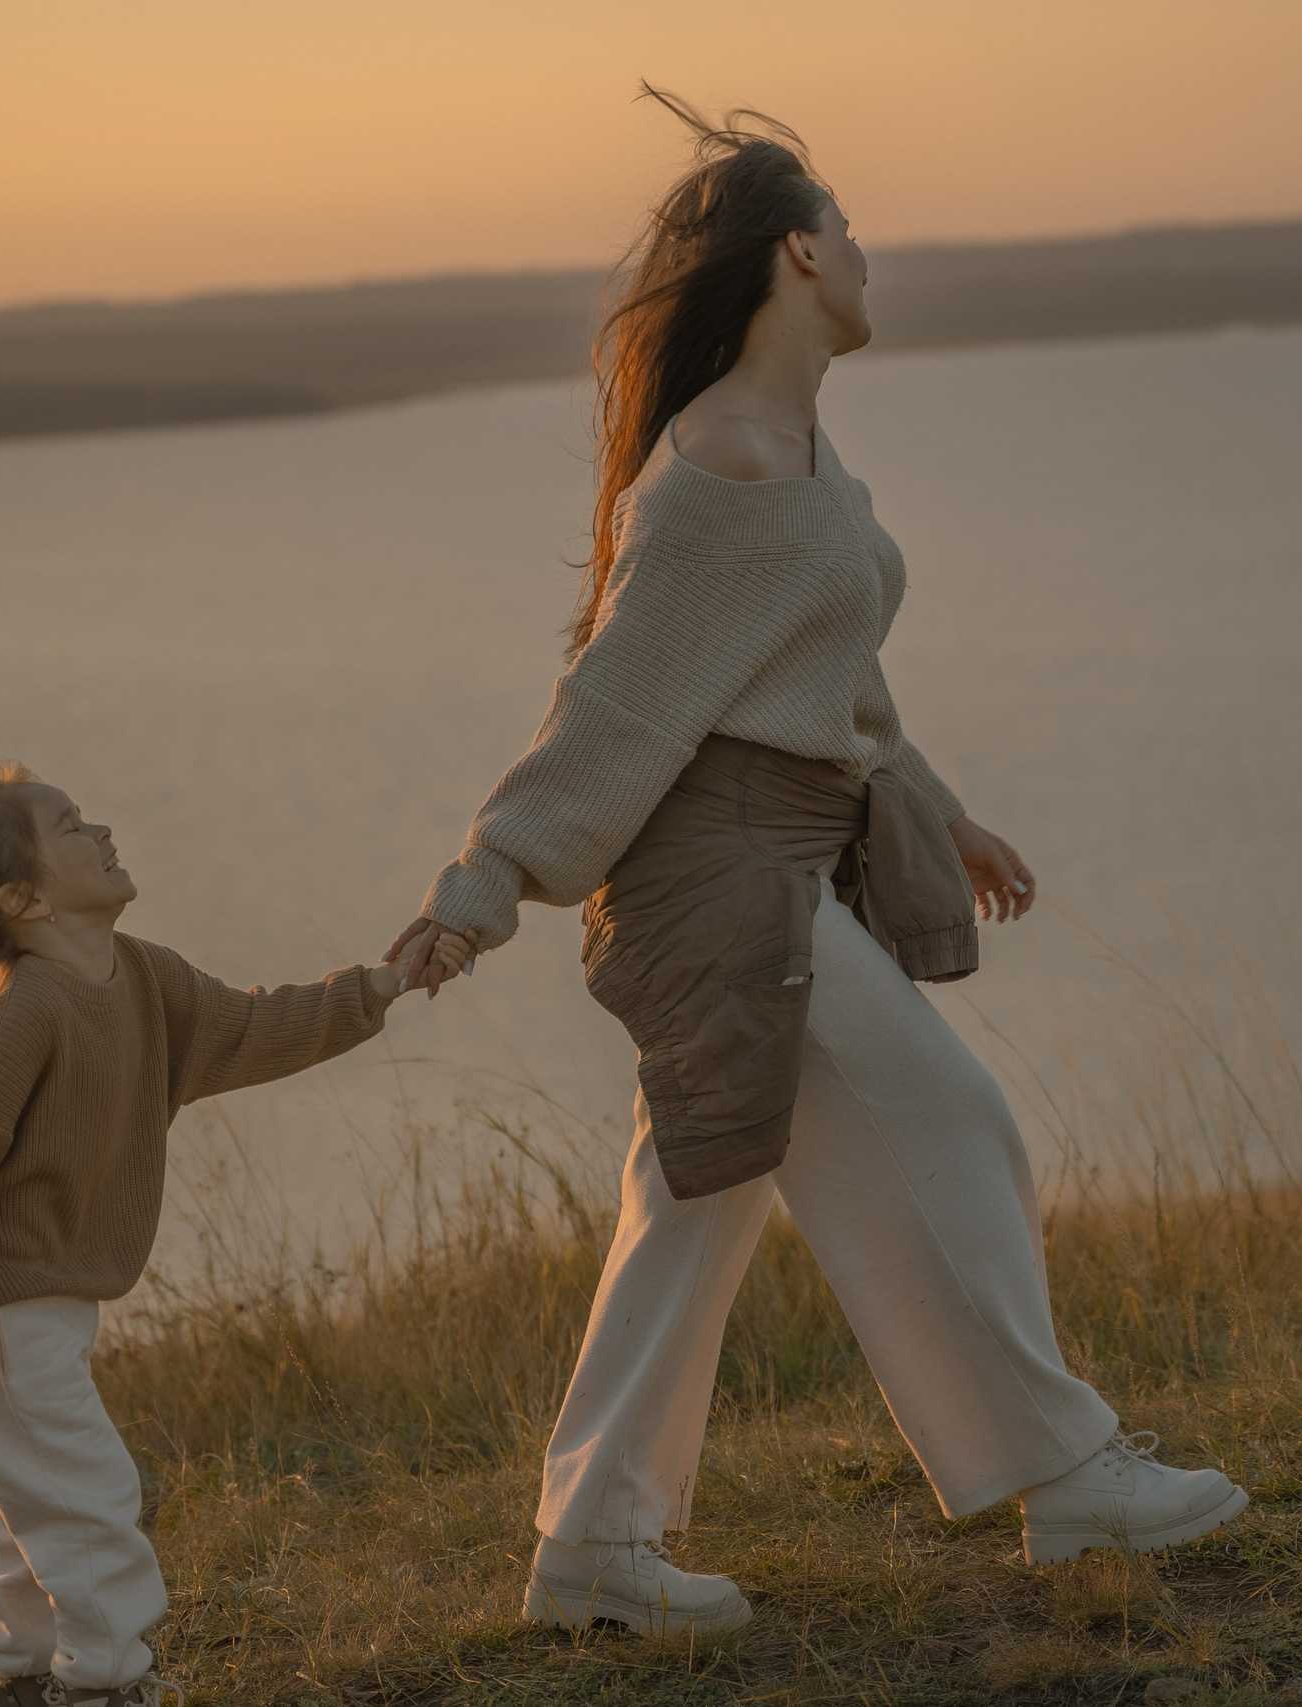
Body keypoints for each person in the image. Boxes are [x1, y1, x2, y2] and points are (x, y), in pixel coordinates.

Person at [386, 92, 1249, 1636]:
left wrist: (935, 796)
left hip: (772, 845)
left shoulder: (794, 447)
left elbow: (819, 670)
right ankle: (1063, 1471)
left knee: (696, 1198)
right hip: (723, 869)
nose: (867, 256)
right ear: (798, 252)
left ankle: (594, 1550)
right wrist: (480, 887)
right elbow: (619, 709)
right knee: (952, 1116)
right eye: (847, 231)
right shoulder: (725, 462)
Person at [0, 763, 464, 1707]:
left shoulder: (144, 977)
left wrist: (382, 984)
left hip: (44, 1303)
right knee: (91, 1493)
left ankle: (23, 1672)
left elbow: (256, 1024)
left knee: (36, 1495)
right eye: (70, 826)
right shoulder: (27, 1014)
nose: (101, 829)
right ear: (24, 898)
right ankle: (104, 1683)